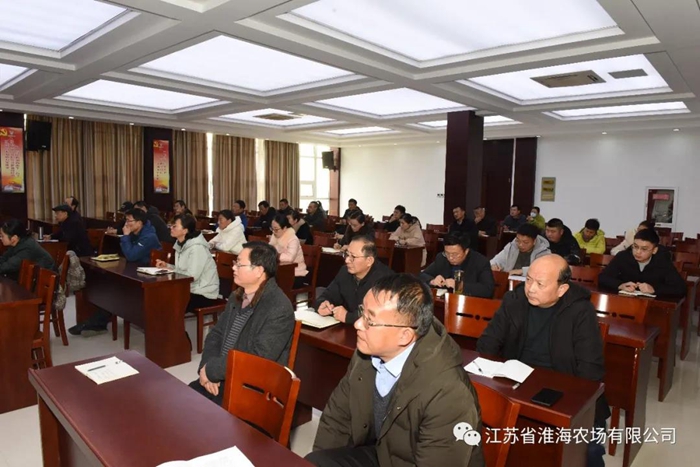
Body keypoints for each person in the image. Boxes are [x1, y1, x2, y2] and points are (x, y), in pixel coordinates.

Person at [307, 274, 484, 467]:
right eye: (361, 313)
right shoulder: (367, 353)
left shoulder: (448, 392)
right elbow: (337, 418)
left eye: (370, 321)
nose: (357, 324)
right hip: (383, 453)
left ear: (404, 336)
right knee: (317, 462)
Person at [476, 255, 608, 467]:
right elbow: (487, 343)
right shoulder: (514, 300)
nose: (531, 289)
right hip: (518, 387)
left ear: (562, 289)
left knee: (588, 450)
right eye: (528, 280)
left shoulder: (581, 311)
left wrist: (571, 408)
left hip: (565, 391)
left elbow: (590, 369)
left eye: (540, 284)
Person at [190, 242, 295, 405]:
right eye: (235, 263)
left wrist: (212, 370)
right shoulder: (237, 296)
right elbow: (216, 335)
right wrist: (206, 368)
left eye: (239, 264)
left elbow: (257, 358)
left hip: (250, 387)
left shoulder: (279, 308)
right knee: (181, 403)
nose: (234, 268)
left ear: (259, 271)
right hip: (222, 374)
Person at [70, 208, 163, 337]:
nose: (127, 224)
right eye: (126, 220)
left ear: (139, 223)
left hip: (148, 279)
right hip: (134, 271)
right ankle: (95, 323)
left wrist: (125, 236)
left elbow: (131, 255)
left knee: (114, 290)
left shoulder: (149, 236)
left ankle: (96, 323)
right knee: (106, 286)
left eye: (129, 221)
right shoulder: (135, 233)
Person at [316, 235, 394, 324]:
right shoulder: (344, 272)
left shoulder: (385, 280)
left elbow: (379, 315)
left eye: (353, 257)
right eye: (347, 254)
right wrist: (321, 304)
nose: (347, 260)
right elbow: (327, 295)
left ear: (369, 261)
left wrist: (348, 317)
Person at [156, 214, 220, 314]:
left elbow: (192, 276)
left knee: (169, 301)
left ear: (185, 230)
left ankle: (174, 325)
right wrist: (167, 266)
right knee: (159, 296)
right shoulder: (180, 244)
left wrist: (172, 270)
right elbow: (182, 270)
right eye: (171, 225)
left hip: (203, 293)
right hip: (189, 288)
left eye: (175, 226)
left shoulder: (197, 248)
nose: (171, 228)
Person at [599, 229, 686, 298]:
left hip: (651, 306)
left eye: (644, 249)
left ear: (654, 250)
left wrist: (654, 289)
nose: (638, 252)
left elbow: (680, 288)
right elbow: (603, 277)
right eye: (635, 247)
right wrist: (620, 285)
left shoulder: (662, 262)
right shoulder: (623, 257)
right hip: (625, 302)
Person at [419, 232, 494, 298]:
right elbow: (422, 275)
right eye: (447, 253)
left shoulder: (480, 262)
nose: (450, 257)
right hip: (444, 302)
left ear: (466, 251)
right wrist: (432, 281)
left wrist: (458, 285)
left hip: (470, 304)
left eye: (455, 254)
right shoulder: (441, 258)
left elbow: (487, 289)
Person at [269, 213, 308, 289]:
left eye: (276, 229)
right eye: (272, 229)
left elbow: (290, 258)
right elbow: (269, 250)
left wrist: (274, 255)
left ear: (285, 228)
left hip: (295, 273)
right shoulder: (275, 236)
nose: (273, 232)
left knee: (270, 284)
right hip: (280, 271)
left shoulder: (293, 239)